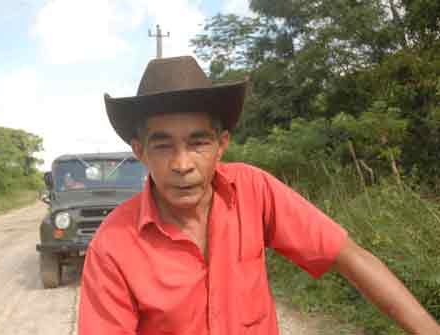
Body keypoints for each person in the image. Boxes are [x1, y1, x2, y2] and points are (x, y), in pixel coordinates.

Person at [78, 56, 440, 335]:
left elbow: (349, 256)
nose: (182, 163)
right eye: (163, 145)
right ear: (140, 151)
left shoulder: (253, 190)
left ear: (221, 146)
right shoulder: (112, 245)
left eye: (198, 142)